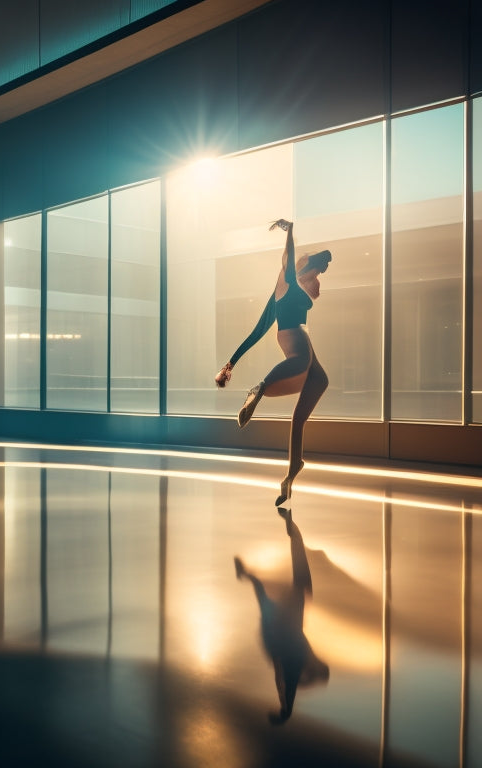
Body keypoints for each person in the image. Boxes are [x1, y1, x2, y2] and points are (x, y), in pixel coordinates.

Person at [214, 220, 332, 505]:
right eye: (316, 276)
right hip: (295, 338)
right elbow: (289, 258)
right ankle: (260, 389)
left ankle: (292, 469)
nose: (318, 284)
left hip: (295, 337)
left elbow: (257, 331)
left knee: (318, 383)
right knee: (301, 361)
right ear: (304, 273)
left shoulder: (282, 294)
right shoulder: (288, 281)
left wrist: (229, 364)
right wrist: (290, 230)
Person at [234, 507, 329, 724]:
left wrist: (285, 711)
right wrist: (291, 526)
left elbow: (285, 687)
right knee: (296, 571)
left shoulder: (295, 663)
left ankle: (245, 574)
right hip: (288, 621)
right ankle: (290, 525)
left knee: (264, 592)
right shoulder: (300, 659)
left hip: (278, 629)